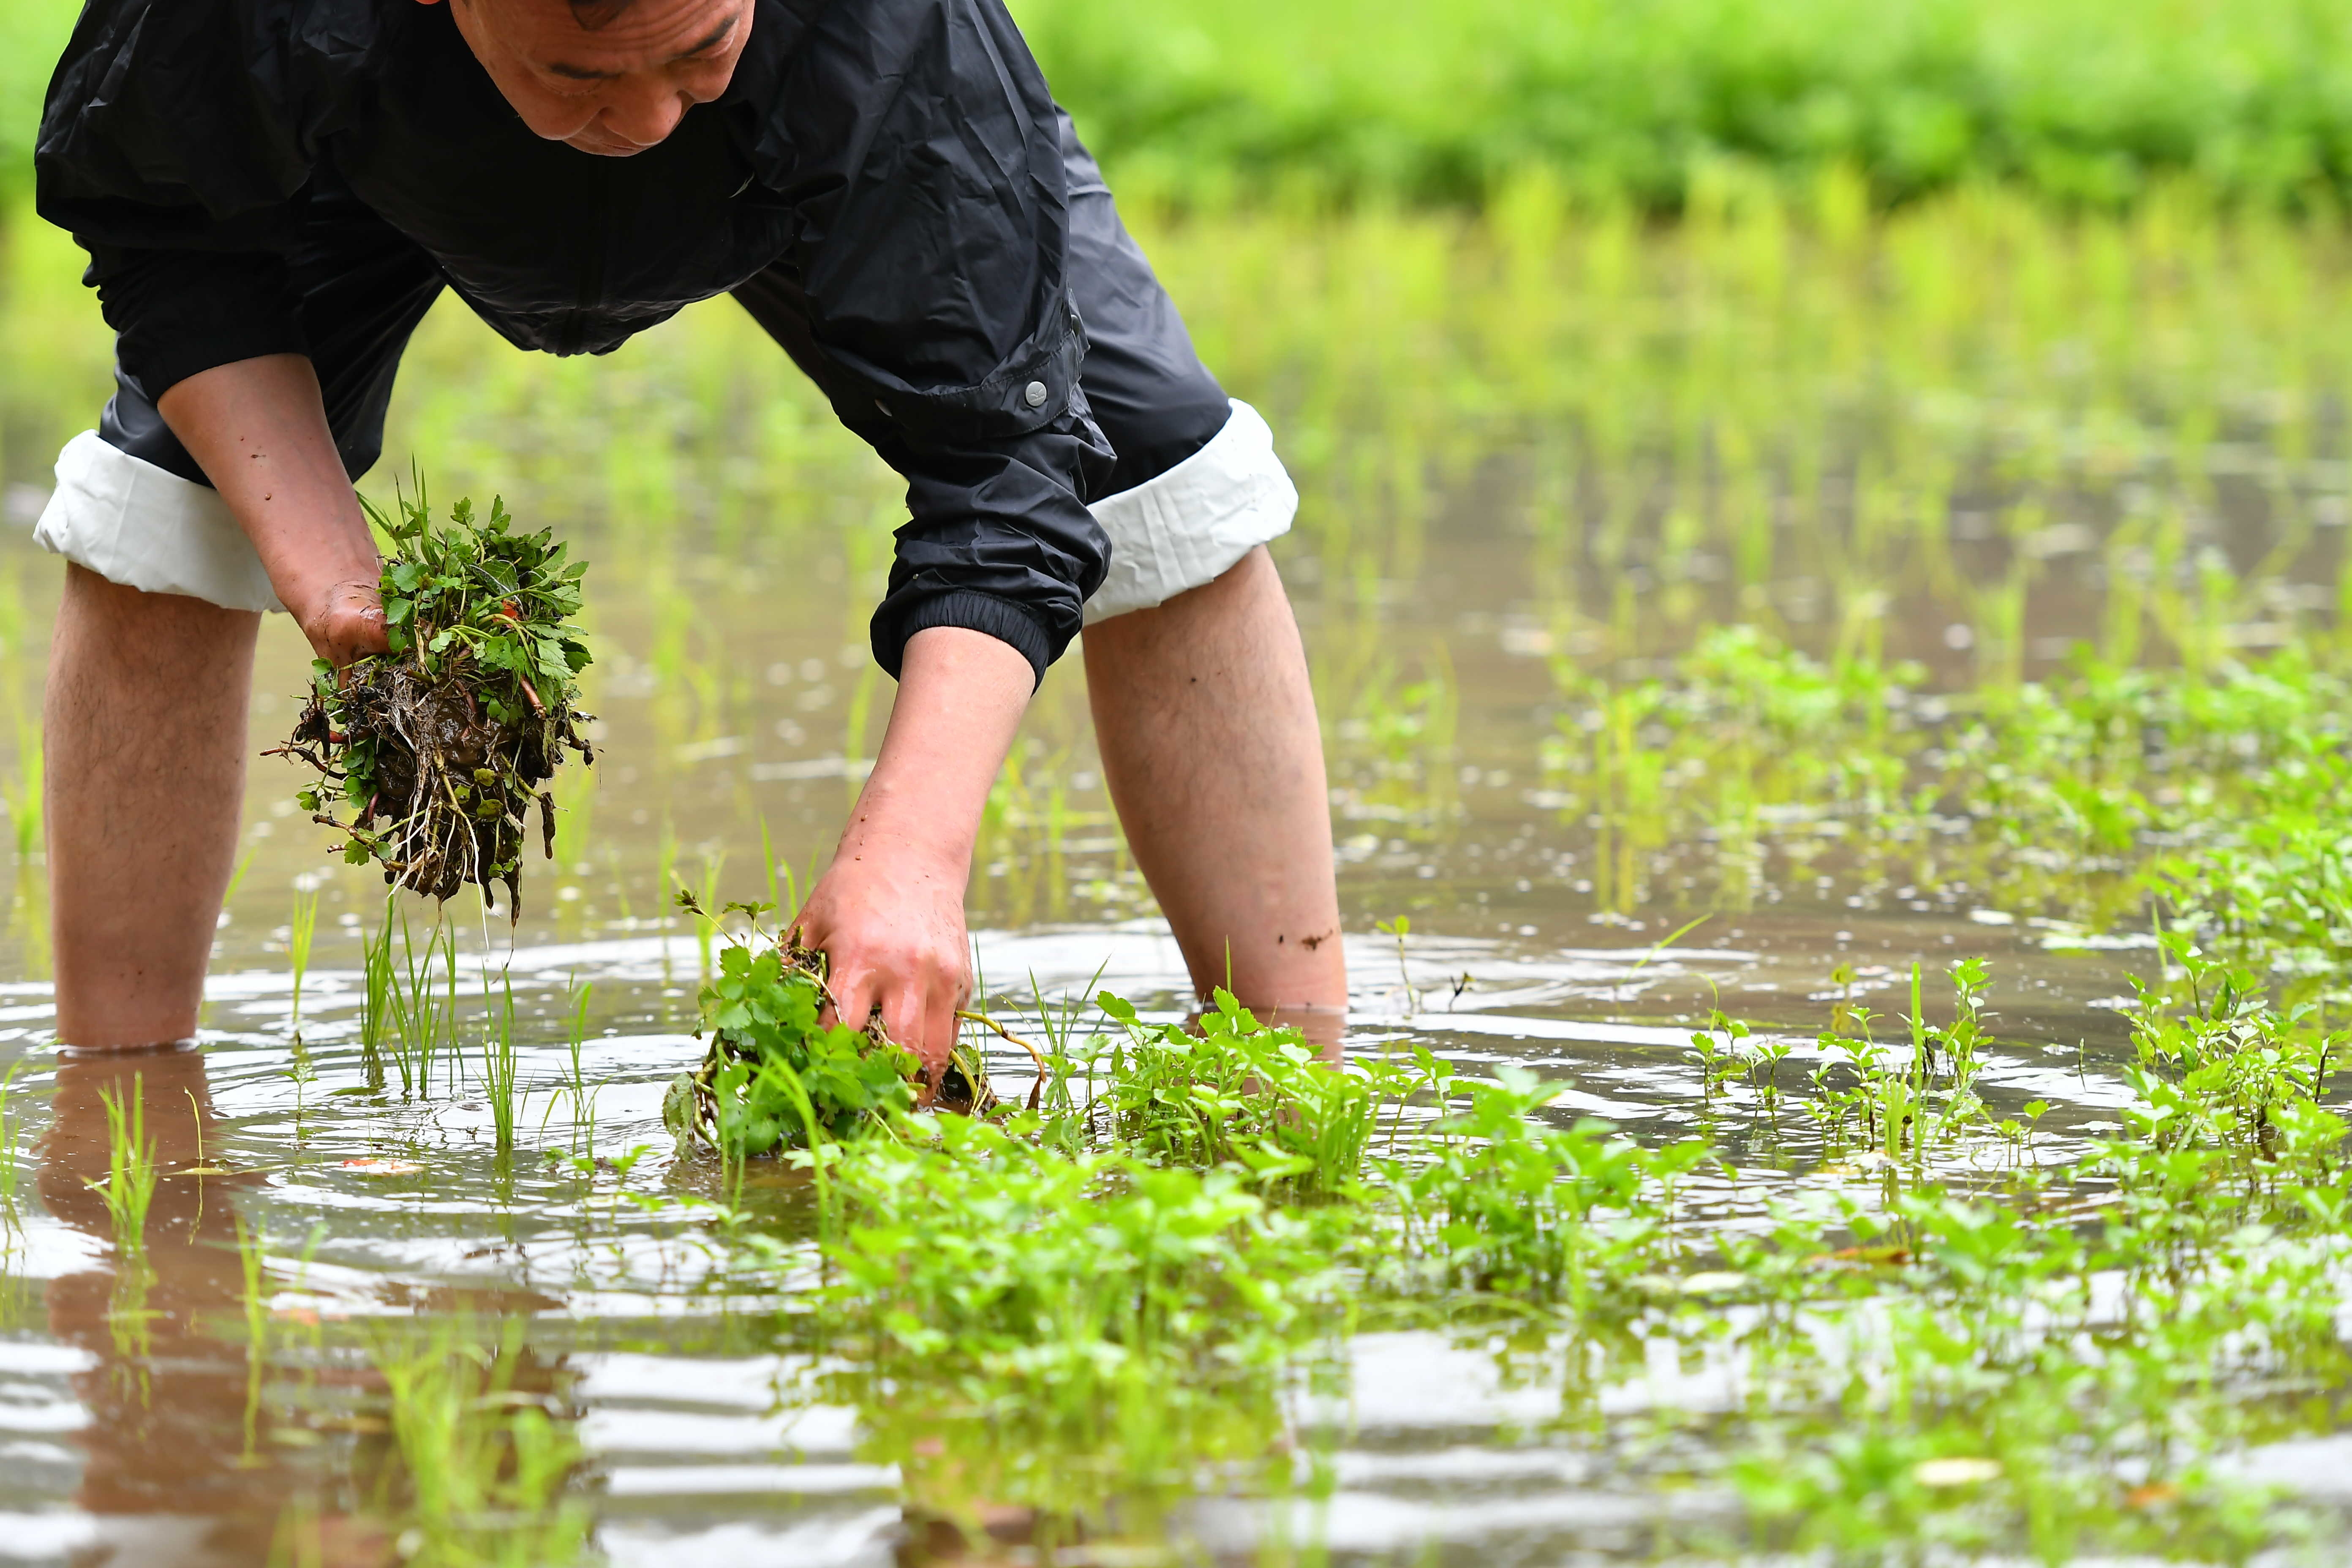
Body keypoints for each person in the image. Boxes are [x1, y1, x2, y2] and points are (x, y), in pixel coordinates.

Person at [32, 0, 1347, 1070]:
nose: (647, 123)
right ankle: (120, 1095)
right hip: (364, 157)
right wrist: (328, 575)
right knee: (165, 517)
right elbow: (166, 220)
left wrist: (908, 863)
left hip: (828, 142)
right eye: (585, 74)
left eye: (696, 52)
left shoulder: (892, 45)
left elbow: (1001, 460)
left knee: (1157, 471)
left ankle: (1299, 1059)